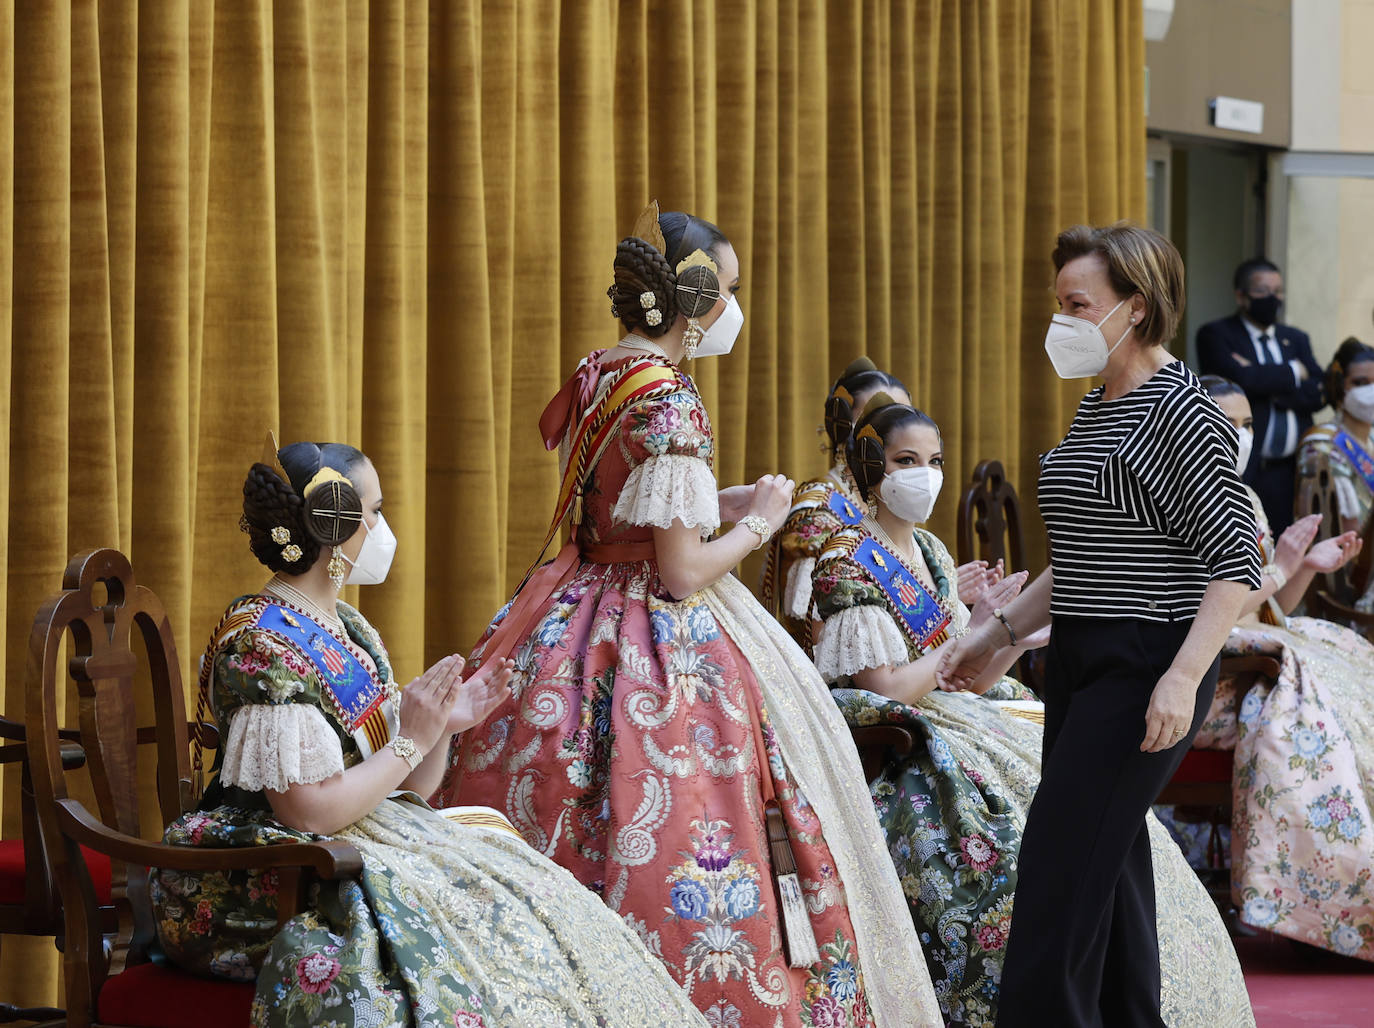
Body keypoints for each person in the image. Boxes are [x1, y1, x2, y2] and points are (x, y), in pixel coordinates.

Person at [442, 204, 940, 1027]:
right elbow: (678, 571)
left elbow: (627, 510)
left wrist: (725, 500)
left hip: (570, 613)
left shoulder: (599, 371)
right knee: (706, 812)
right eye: (730, 289)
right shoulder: (669, 399)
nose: (734, 306)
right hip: (653, 638)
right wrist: (760, 522)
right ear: (695, 293)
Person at [151, 440, 712, 1028]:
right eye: (374, 511)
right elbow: (308, 814)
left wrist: (440, 725)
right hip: (279, 870)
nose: (382, 527)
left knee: (537, 909)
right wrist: (410, 738)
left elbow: (408, 788)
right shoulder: (262, 646)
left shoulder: (348, 629)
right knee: (473, 945)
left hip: (355, 842)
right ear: (333, 524)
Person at [811, 396, 1255, 1025]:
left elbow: (976, 676)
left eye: (934, 460)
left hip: (996, 701)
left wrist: (1002, 633)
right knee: (1059, 856)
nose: (925, 475)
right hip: (910, 727)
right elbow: (886, 686)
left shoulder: (934, 554)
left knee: (1099, 852)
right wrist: (993, 633)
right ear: (869, 466)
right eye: (906, 461)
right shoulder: (846, 559)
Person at [938, 223, 1261, 1027]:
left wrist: (1182, 679)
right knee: (1107, 870)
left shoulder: (1183, 414)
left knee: (1058, 865)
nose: (1063, 320)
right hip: (1081, 655)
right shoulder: (1099, 403)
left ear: (1136, 308)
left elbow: (1235, 567)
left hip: (1145, 660)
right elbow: (1080, 554)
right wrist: (1000, 633)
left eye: (1079, 304)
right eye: (1060, 304)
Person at [1172, 376, 1371, 962]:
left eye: (1248, 424)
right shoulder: (1176, 495)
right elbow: (1205, 611)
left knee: (1354, 677)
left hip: (1256, 649)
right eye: (1224, 421)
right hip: (1208, 672)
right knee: (1304, 712)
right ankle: (1320, 902)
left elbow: (1269, 603)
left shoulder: (1247, 497)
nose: (1239, 436)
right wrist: (1283, 569)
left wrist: (1304, 565)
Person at [762, 358, 1002, 657]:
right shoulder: (817, 512)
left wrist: (945, 596)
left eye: (900, 414)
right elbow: (820, 633)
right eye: (876, 415)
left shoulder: (898, 507)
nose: (891, 426)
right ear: (844, 429)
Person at [1197, 256, 1324, 535]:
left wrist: (1264, 384)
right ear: (1241, 296)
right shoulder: (1215, 334)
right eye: (1263, 291)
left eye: (1277, 292)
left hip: (1294, 471)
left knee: (1294, 545)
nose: (1273, 298)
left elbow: (1318, 392)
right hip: (1250, 468)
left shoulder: (1296, 338)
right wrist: (1292, 373)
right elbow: (1234, 382)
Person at [1296, 338, 1374, 610]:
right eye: (1361, 383)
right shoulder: (1322, 447)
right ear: (1340, 386)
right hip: (1345, 582)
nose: (1371, 391)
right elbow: (1332, 536)